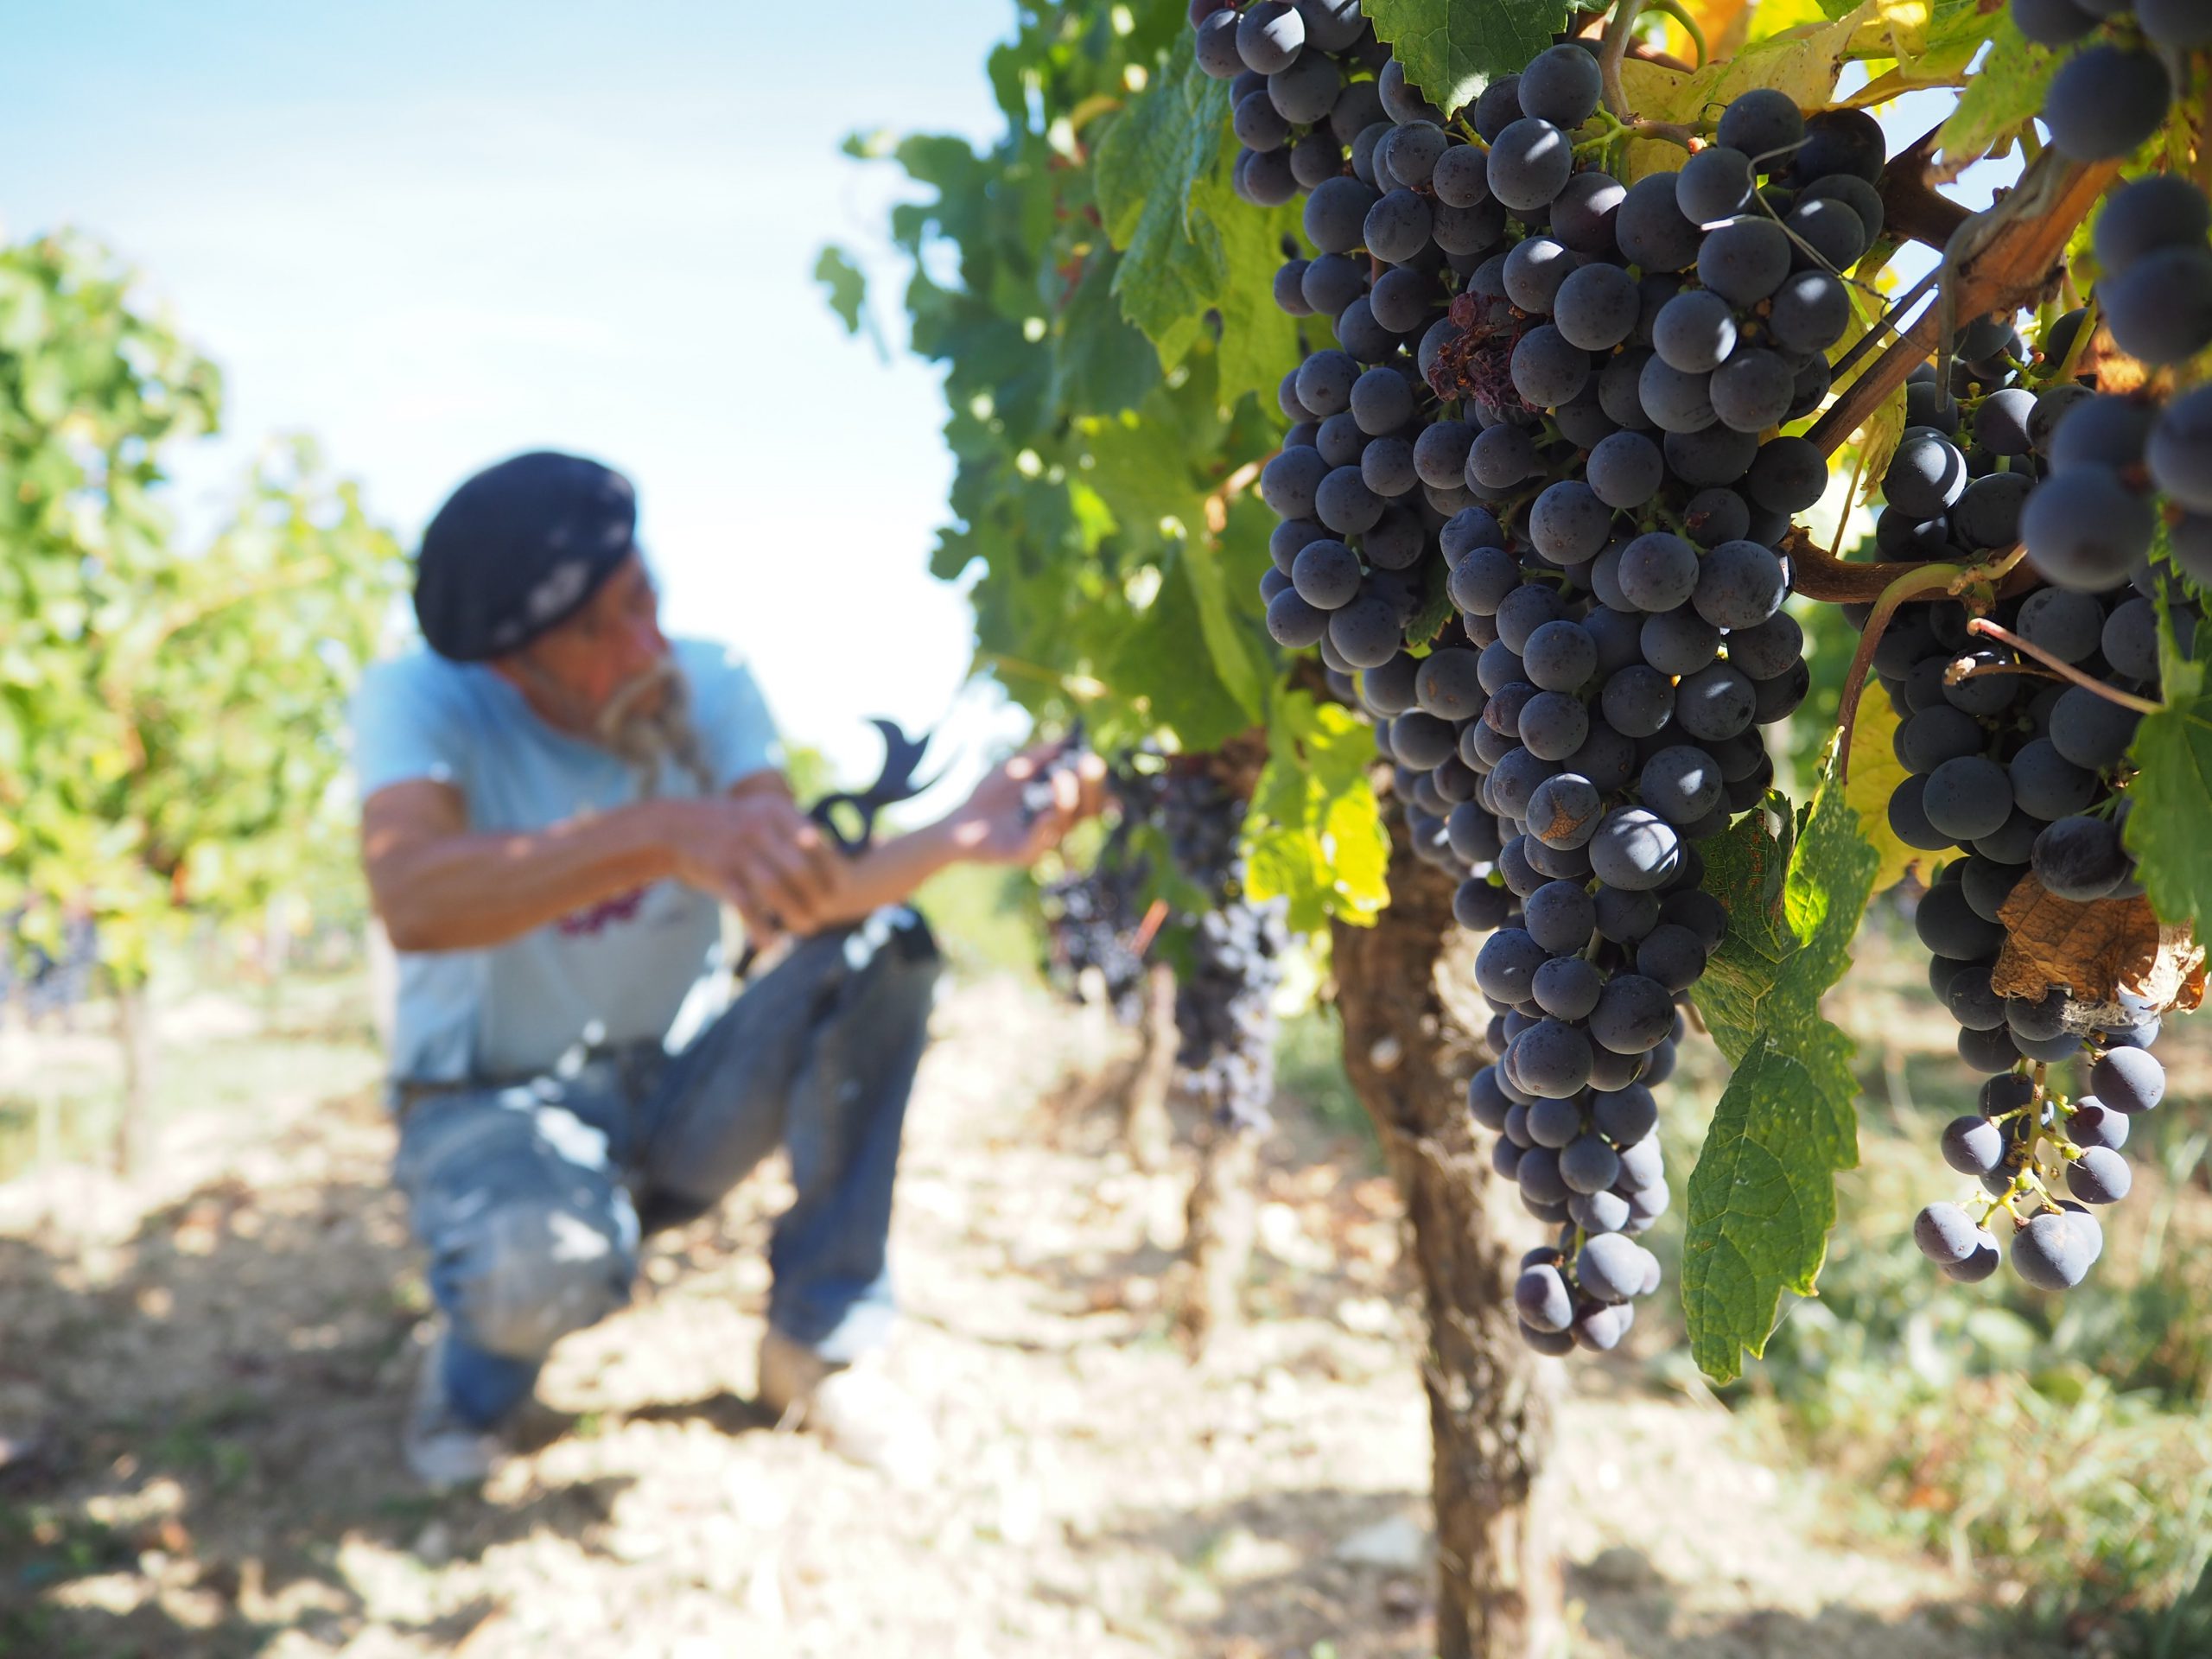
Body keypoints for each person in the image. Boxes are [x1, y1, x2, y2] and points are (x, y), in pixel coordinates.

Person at [352, 450, 1100, 1489]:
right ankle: (473, 1385)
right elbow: (414, 898)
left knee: (883, 945)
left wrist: (961, 835)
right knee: (535, 1264)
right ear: (506, 668)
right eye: (599, 633)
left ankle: (817, 1344)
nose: (644, 645)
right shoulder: (424, 701)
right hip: (492, 1107)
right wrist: (657, 833)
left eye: (644, 601)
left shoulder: (706, 684)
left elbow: (804, 893)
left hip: (675, 1093)